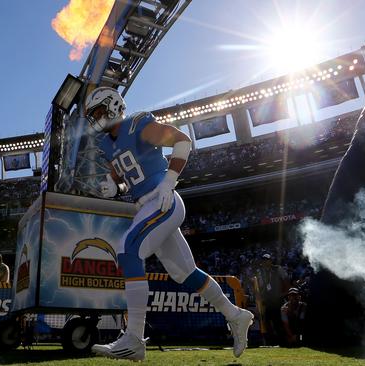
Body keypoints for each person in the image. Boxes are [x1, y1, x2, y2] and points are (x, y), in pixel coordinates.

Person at [85, 87, 254, 361]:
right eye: (93, 115)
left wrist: (168, 181)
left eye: (99, 112)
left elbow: (182, 140)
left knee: (128, 249)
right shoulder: (106, 144)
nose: (96, 119)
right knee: (184, 273)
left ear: (113, 106)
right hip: (145, 204)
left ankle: (134, 338)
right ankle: (235, 315)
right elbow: (121, 176)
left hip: (162, 199)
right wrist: (112, 186)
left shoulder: (137, 125)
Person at [253, 252, 289, 345]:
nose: (265, 262)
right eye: (263, 260)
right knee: (267, 321)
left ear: (271, 260)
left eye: (267, 260)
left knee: (278, 321)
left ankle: (282, 341)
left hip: (278, 300)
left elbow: (286, 281)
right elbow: (259, 287)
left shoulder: (278, 269)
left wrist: (284, 294)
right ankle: (270, 341)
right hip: (267, 300)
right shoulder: (260, 272)